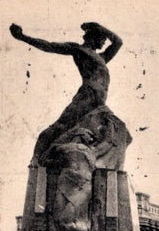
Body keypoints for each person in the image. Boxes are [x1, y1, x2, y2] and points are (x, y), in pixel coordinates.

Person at [10, 22, 123, 166]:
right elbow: (49, 46)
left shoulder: (102, 58)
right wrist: (23, 37)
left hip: (99, 102)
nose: (104, 42)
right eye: (102, 38)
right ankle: (37, 158)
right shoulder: (78, 49)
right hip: (87, 97)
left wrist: (100, 27)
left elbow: (118, 42)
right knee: (61, 126)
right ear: (93, 36)